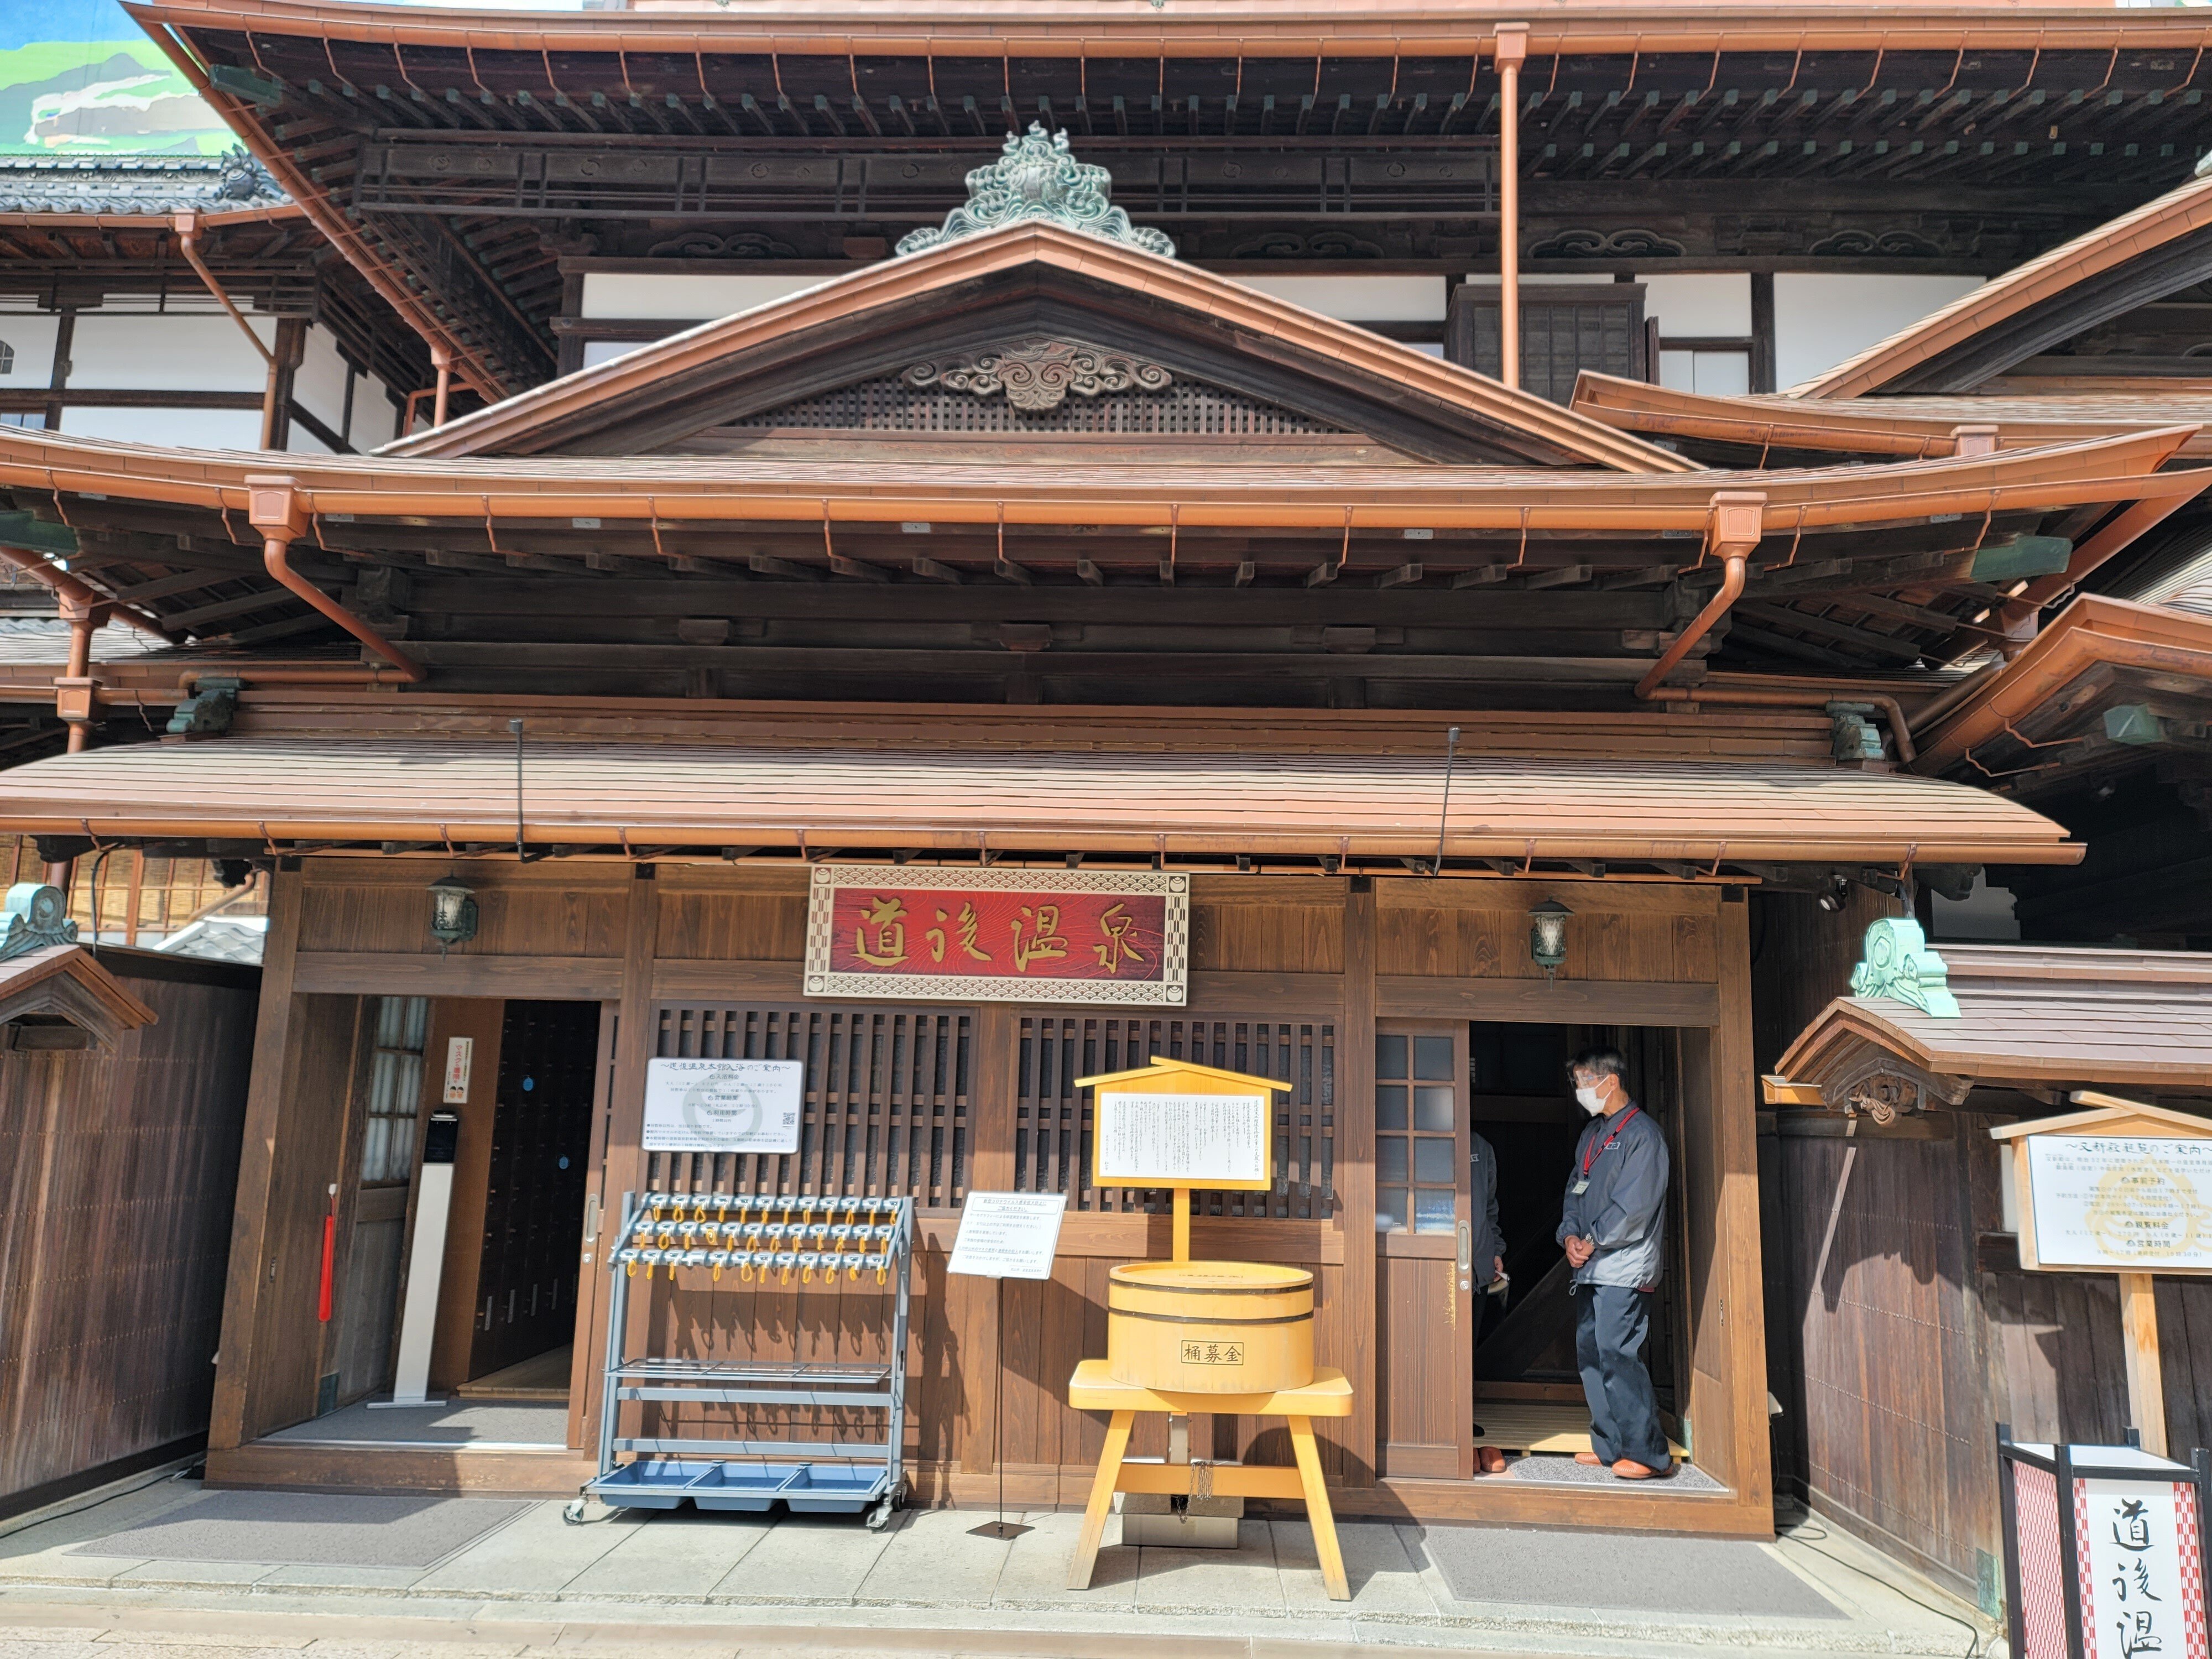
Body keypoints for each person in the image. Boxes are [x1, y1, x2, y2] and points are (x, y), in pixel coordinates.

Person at [1557, 1046, 1672, 1480]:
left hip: (1624, 1267)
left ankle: (1647, 1453)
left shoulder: (1644, 1136)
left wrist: (1589, 1239)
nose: (1582, 1089)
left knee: (1618, 1353)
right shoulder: (1592, 1135)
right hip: (1589, 1265)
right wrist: (1569, 1235)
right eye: (1579, 1081)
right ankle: (1609, 1446)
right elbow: (1574, 1190)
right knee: (1591, 1353)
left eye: (1587, 1080)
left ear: (1612, 1081)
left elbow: (1635, 1208)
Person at [1468, 1128, 1509, 1473]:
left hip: (1476, 1264)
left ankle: (1462, 1419)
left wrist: (1496, 1251)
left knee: (1468, 1345)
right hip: (1438, 1264)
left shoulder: (1481, 1146)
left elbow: (1489, 1208)